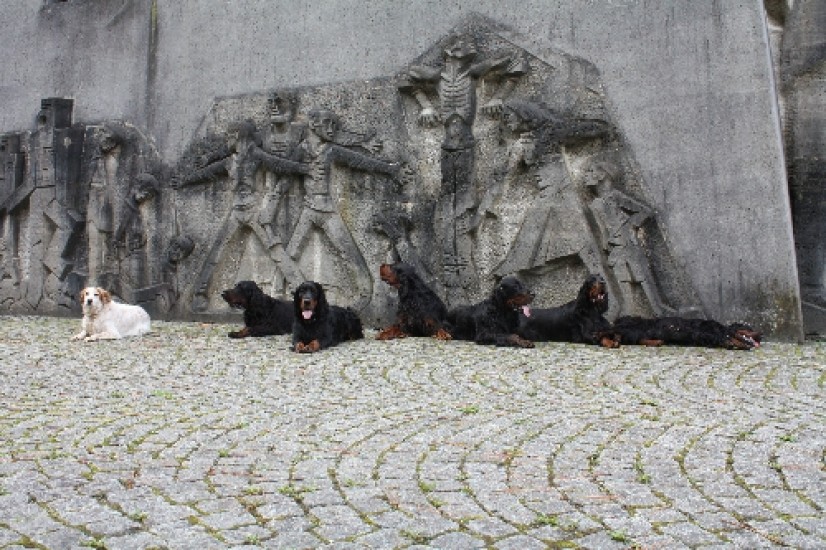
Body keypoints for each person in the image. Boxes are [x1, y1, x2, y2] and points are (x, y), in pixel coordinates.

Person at [285, 108, 405, 310]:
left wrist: (390, 169)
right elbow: (284, 167)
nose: (331, 128)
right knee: (290, 253)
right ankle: (277, 291)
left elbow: (359, 161)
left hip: (327, 209)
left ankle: (364, 294)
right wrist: (303, 169)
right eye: (327, 123)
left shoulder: (330, 150)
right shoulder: (302, 149)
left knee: (349, 252)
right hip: (308, 209)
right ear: (313, 124)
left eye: (334, 125)